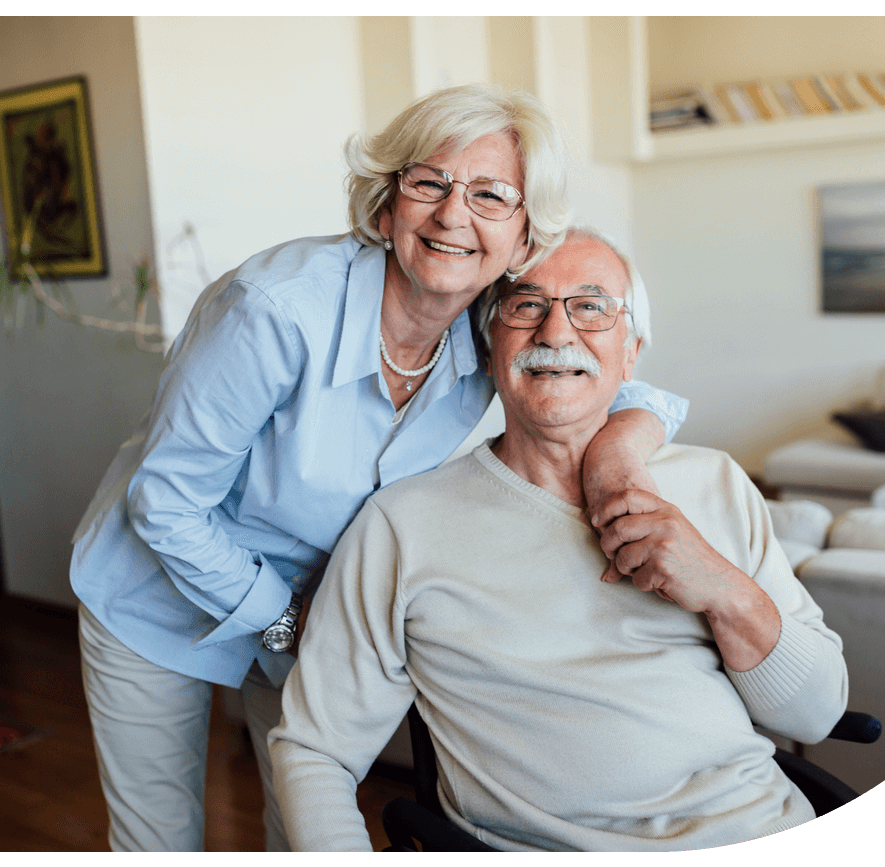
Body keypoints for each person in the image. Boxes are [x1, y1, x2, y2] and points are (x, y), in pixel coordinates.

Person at [68, 86, 690, 852]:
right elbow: (162, 502)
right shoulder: (276, 310)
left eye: (492, 195)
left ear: (525, 230)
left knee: (301, 820)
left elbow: (617, 381)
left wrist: (616, 459)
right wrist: (292, 619)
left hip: (302, 609)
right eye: (429, 182)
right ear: (390, 199)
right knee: (157, 836)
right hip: (153, 590)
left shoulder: (492, 319)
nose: (453, 216)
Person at [268, 227, 848, 851]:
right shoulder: (402, 524)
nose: (556, 331)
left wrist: (725, 590)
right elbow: (315, 752)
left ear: (632, 352)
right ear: (490, 342)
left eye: (591, 306)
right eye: (526, 305)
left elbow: (816, 713)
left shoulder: (715, 483)